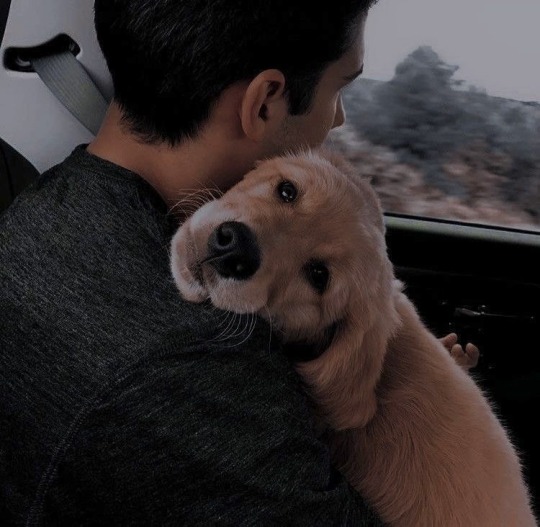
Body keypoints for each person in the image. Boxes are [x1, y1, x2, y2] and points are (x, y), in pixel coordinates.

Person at [0, 1, 386, 524]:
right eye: (340, 88)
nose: (337, 118)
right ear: (265, 102)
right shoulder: (195, 360)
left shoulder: (40, 208)